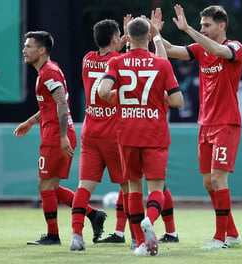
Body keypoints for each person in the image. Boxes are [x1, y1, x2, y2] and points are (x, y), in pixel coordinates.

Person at [158, 4, 242, 249]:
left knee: (218, 179)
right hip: (205, 124)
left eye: (207, 25)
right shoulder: (200, 49)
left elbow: (218, 49)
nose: (203, 29)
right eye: (202, 25)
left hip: (226, 122)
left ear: (222, 25)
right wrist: (152, 33)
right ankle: (233, 234)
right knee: (208, 182)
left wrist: (188, 29)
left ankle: (220, 238)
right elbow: (170, 50)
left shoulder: (234, 47)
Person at [98, 17, 183, 256]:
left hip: (126, 134)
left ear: (127, 35)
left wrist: (117, 97)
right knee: (156, 188)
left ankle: (140, 243)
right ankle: (150, 221)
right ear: (148, 37)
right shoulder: (162, 64)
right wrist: (159, 98)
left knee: (132, 189)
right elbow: (177, 100)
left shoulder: (116, 61)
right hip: (154, 133)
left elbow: (103, 91)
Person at [14, 31, 106, 245]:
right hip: (54, 133)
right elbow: (51, 106)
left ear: (42, 50)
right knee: (50, 186)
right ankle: (93, 215)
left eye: (28, 46)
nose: (24, 50)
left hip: (56, 136)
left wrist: (63, 136)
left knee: (45, 186)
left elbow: (63, 105)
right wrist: (31, 121)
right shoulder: (46, 71)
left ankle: (53, 236)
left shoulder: (49, 72)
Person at [69, 18, 135, 251]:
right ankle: (134, 236)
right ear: (116, 39)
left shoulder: (87, 59)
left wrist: (122, 37)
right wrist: (132, 37)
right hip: (114, 134)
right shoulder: (119, 61)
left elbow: (108, 55)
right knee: (129, 187)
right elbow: (125, 61)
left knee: (83, 187)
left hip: (90, 132)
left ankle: (77, 236)